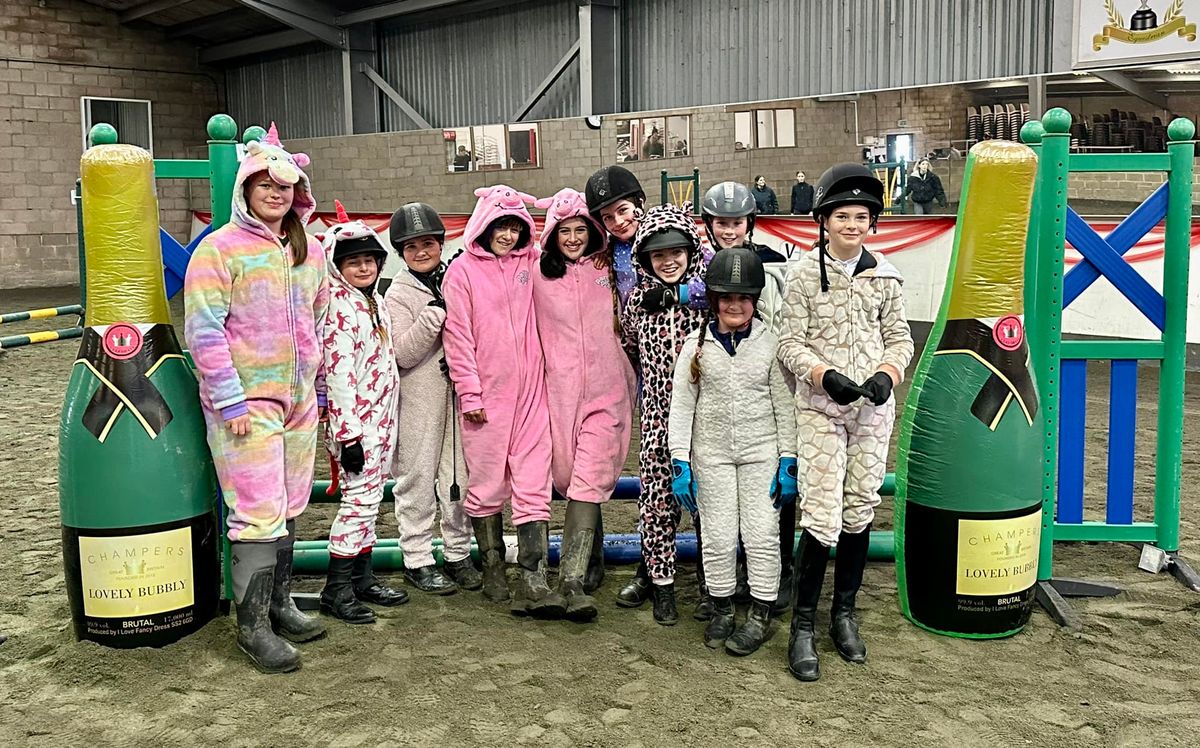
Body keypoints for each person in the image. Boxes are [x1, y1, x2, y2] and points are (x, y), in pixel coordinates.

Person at [184, 123, 327, 673]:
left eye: (285, 186)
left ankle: (280, 602)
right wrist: (229, 400)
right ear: (244, 188)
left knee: (290, 504)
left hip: (297, 402)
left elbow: (316, 319)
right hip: (246, 403)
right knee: (257, 511)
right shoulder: (220, 250)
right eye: (264, 183)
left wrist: (313, 386)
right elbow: (203, 329)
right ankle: (253, 627)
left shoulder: (308, 250)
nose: (275, 193)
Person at [777, 163, 915, 682]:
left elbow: (899, 336)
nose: (852, 224)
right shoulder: (800, 277)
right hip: (821, 408)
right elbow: (788, 343)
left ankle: (844, 614)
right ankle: (803, 626)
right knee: (820, 512)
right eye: (842, 216)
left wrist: (888, 373)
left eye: (862, 216)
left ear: (872, 222)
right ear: (824, 221)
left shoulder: (887, 277)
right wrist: (821, 373)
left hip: (872, 410)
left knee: (861, 506)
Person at [442, 185, 566, 618]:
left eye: (516, 227)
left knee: (534, 481)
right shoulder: (460, 274)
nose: (509, 235)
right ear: (483, 224)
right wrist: (469, 392)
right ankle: (493, 565)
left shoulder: (531, 264)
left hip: (533, 393)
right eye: (501, 225)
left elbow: (562, 247)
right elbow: (458, 338)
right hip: (486, 399)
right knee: (488, 482)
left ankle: (535, 576)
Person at [669, 248, 797, 654]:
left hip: (762, 455)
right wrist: (680, 462)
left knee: (761, 535)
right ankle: (723, 607)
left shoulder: (771, 344)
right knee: (720, 537)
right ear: (714, 300)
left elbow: (785, 405)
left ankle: (759, 614)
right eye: (727, 298)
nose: (735, 305)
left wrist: (789, 460)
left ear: (754, 301)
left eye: (743, 298)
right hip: (712, 456)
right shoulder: (696, 346)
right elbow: (682, 407)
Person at [532, 188, 636, 622]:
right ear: (551, 235)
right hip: (556, 394)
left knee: (589, 478)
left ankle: (570, 580)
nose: (573, 238)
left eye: (580, 230)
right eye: (564, 231)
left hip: (607, 391)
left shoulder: (609, 266)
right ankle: (588, 559)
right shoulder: (536, 273)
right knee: (568, 476)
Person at [699, 180, 798, 616]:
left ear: (748, 223)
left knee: (771, 499)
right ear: (710, 225)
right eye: (721, 223)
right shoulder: (700, 267)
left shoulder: (774, 264)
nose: (728, 230)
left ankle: (780, 574)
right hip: (719, 381)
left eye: (735, 222)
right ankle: (719, 582)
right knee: (716, 502)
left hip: (768, 372)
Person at [384, 202, 483, 596]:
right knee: (417, 479)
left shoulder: (456, 278)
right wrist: (432, 317)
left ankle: (458, 553)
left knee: (459, 478)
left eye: (428, 243)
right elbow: (403, 353)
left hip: (459, 398)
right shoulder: (397, 294)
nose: (422, 251)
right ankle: (418, 558)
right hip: (419, 402)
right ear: (402, 253)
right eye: (412, 247)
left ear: (440, 244)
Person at [317, 200, 409, 624]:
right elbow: (338, 377)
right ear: (338, 266)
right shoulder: (339, 310)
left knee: (369, 504)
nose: (363, 267)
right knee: (356, 505)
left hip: (381, 420)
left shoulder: (372, 302)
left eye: (369, 259)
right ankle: (336, 588)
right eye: (352, 261)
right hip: (358, 426)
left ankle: (362, 577)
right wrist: (348, 436)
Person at [620, 202, 708, 625]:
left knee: (709, 504)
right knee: (656, 505)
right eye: (658, 255)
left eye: (676, 252)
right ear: (644, 259)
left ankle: (714, 586)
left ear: (690, 251)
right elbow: (632, 349)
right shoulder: (638, 302)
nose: (668, 261)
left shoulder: (708, 296)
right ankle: (662, 586)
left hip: (704, 420)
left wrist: (679, 294)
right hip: (657, 419)